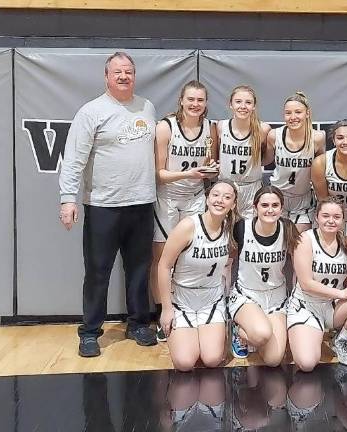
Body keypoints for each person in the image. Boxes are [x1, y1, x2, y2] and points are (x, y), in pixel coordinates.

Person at [59, 51, 157, 357]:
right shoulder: (91, 112)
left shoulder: (147, 107)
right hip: (103, 205)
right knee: (98, 271)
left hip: (142, 203)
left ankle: (139, 323)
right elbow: (74, 161)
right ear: (106, 77)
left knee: (139, 269)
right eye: (118, 72)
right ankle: (90, 331)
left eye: (128, 71)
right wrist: (67, 199)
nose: (124, 76)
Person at [151, 80, 219, 341]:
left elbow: (209, 164)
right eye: (190, 99)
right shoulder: (165, 127)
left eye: (200, 100)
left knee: (192, 256)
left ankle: (190, 309)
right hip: (168, 197)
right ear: (181, 100)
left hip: (194, 197)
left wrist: (209, 169)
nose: (195, 104)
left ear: (206, 103)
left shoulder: (209, 129)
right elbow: (159, 174)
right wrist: (188, 173)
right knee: (162, 258)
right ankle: (162, 314)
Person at [157, 181, 238, 371]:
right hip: (182, 297)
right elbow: (163, 265)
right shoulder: (188, 226)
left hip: (211, 298)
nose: (220, 200)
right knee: (185, 363)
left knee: (211, 359)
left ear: (233, 204)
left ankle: (226, 327)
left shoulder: (231, 228)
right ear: (207, 198)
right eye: (216, 195)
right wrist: (166, 308)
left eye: (227, 197)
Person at [287, 197, 347, 370]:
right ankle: (307, 332)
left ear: (343, 220)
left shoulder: (346, 243)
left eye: (336, 216)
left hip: (332, 307)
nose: (331, 221)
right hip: (306, 306)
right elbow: (306, 283)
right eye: (325, 216)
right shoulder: (305, 239)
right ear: (317, 217)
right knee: (307, 363)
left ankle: (340, 341)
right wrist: (341, 294)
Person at [228, 186, 301, 365]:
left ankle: (254, 332)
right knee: (261, 333)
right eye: (265, 205)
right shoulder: (242, 228)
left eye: (275, 205)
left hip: (276, 297)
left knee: (274, 360)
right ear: (255, 208)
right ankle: (238, 330)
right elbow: (228, 262)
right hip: (247, 295)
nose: (270, 210)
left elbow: (300, 264)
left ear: (282, 208)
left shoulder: (288, 228)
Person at [267, 92, 326, 232]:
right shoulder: (274, 136)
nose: (293, 117)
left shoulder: (317, 138)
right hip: (277, 196)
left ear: (307, 113)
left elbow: (321, 168)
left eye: (298, 112)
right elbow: (265, 160)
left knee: (298, 243)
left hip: (303, 200)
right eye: (288, 113)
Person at [216, 85, 272, 219]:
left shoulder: (263, 129)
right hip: (226, 187)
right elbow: (218, 155)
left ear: (254, 106)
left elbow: (265, 159)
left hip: (252, 188)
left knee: (249, 234)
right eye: (238, 101)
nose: (243, 106)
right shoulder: (221, 126)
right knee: (224, 234)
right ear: (230, 104)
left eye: (248, 102)